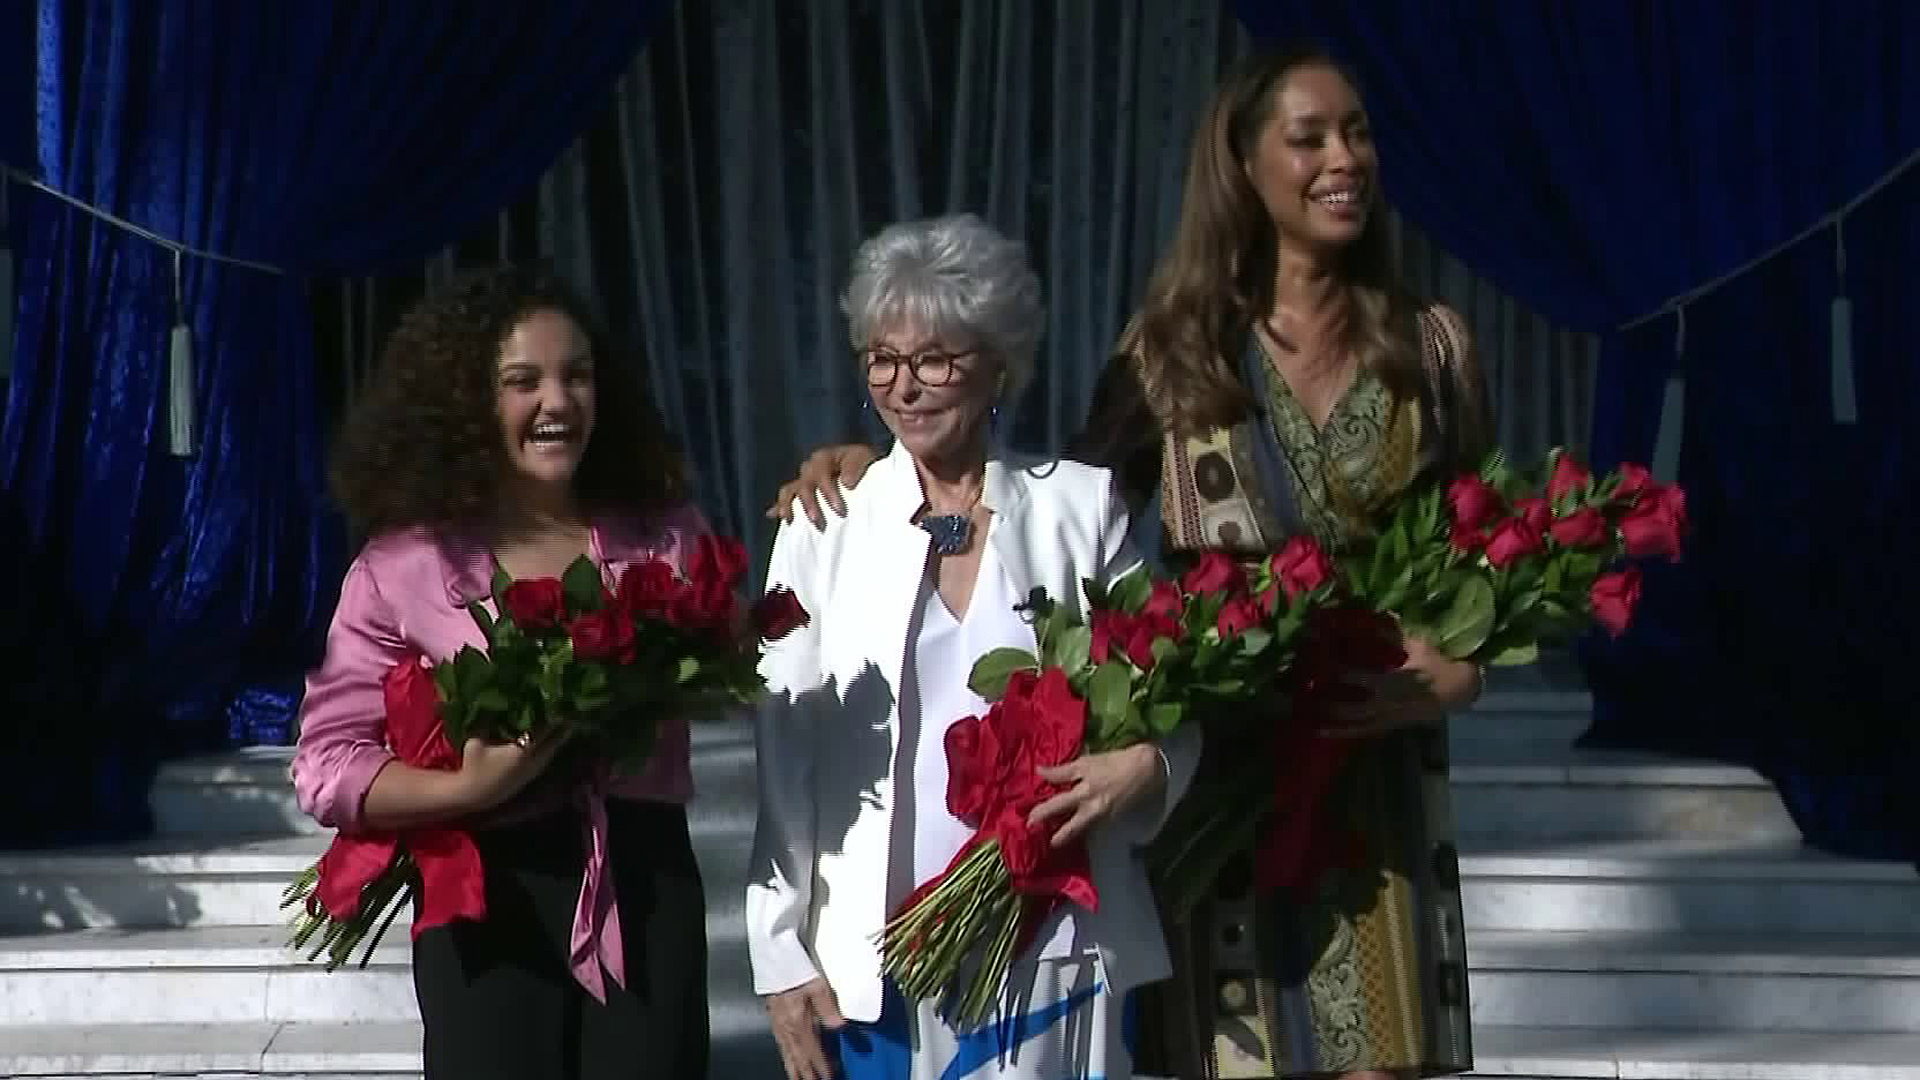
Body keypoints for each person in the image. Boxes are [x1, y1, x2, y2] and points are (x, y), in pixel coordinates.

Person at [767, 47, 1492, 1080]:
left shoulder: (1433, 349)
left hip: (1377, 782)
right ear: (1245, 168)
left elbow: (1491, 544)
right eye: (1311, 136)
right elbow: (1052, 521)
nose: (1346, 157)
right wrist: (876, 464)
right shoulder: (1171, 357)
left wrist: (1464, 669)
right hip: (1224, 799)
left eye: (1360, 132)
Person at [746, 213, 1203, 1080]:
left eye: (935, 359)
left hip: (1058, 939)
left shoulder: (1083, 510)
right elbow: (785, 754)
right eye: (882, 359)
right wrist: (780, 955)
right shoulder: (822, 524)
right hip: (874, 960)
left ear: (998, 362)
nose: (904, 386)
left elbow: (1171, 689)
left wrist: (1152, 766)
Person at [291, 265, 710, 1080]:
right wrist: (466, 790)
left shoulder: (665, 537)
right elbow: (327, 765)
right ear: (469, 406)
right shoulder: (403, 565)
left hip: (645, 878)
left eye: (578, 376)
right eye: (524, 382)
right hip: (486, 896)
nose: (558, 402)